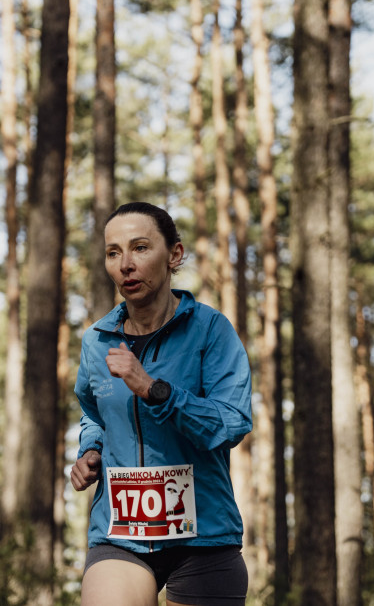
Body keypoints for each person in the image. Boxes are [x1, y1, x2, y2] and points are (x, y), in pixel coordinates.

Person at [70, 202, 252, 606]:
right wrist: (90, 450)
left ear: (174, 255)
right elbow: (94, 414)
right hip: (122, 533)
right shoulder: (97, 341)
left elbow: (232, 422)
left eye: (140, 247)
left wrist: (155, 390)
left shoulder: (211, 331)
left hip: (203, 536)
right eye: (114, 252)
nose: (125, 264)